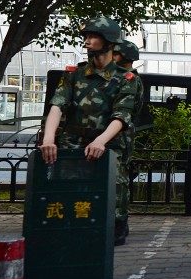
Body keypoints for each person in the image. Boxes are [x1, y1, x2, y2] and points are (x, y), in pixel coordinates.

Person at [39, 17, 139, 247]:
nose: (87, 41)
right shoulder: (74, 74)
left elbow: (122, 116)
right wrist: (48, 138)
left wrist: (101, 141)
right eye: (86, 36)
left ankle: (115, 228)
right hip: (73, 143)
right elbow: (57, 105)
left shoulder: (126, 79)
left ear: (110, 41)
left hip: (108, 144)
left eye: (93, 36)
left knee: (113, 197)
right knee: (67, 198)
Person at [112, 40, 145, 239]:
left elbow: (128, 112)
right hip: (116, 135)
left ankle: (119, 222)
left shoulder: (131, 80)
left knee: (119, 181)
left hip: (120, 137)